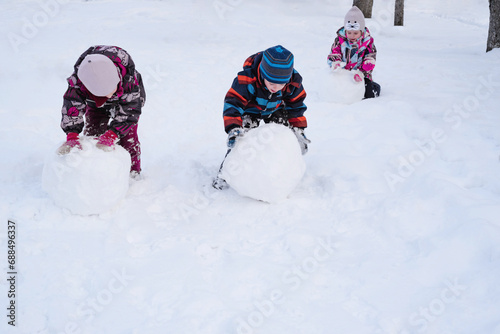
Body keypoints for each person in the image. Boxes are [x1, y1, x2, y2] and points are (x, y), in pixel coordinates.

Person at [213, 45, 310, 189]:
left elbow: (296, 107)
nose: (276, 88)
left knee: (283, 136)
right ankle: (225, 175)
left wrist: (298, 129)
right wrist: (234, 128)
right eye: (271, 83)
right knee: (241, 142)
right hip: (250, 110)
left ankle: (283, 173)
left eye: (281, 84)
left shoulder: (293, 82)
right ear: (263, 74)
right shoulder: (247, 80)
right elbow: (233, 103)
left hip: (276, 108)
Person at [58, 45, 146, 177]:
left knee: (128, 137)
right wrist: (72, 135)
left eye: (111, 91)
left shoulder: (128, 79)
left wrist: (114, 133)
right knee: (93, 134)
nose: (109, 97)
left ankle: (132, 172)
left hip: (128, 102)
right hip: (95, 104)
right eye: (104, 95)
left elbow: (130, 112)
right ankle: (95, 173)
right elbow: (72, 107)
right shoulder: (79, 82)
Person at [327, 6, 381, 98]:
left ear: (361, 31)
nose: (352, 36)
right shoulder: (340, 41)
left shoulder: (367, 41)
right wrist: (336, 62)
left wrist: (367, 64)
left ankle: (374, 87)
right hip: (343, 72)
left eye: (355, 33)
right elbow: (335, 52)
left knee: (367, 93)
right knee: (337, 90)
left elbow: (370, 54)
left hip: (361, 73)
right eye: (349, 33)